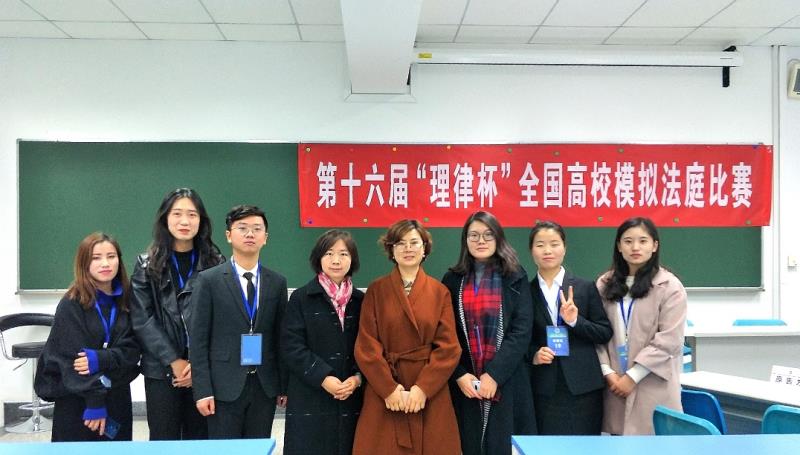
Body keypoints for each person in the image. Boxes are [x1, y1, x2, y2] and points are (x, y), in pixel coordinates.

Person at [353, 219, 461, 455]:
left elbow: (449, 348)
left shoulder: (439, 292)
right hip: (386, 389)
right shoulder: (376, 290)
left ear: (425, 249)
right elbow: (366, 345)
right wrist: (389, 389)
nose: (408, 248)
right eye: (400, 243)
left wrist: (423, 389)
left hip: (429, 389)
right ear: (391, 250)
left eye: (414, 242)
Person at [130, 188, 225, 440]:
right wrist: (175, 361)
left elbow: (222, 319)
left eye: (192, 214)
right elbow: (142, 319)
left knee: (201, 441)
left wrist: (197, 366)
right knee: (164, 440)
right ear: (165, 218)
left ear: (201, 220)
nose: (185, 221)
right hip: (161, 370)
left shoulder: (216, 262)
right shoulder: (146, 264)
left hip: (203, 371)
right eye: (177, 214)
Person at [189, 205, 288, 439]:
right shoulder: (209, 280)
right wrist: (202, 391)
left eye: (257, 229)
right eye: (242, 228)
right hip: (222, 387)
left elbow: (281, 338)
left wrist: (283, 385)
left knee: (257, 448)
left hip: (264, 386)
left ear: (265, 237)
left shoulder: (277, 282)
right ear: (228, 235)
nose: (250, 234)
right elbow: (198, 339)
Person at [442, 211, 536, 455]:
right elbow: (444, 333)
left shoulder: (515, 276)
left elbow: (521, 330)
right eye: (473, 235)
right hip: (466, 383)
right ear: (465, 240)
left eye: (487, 235)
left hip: (507, 379)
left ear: (498, 238)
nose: (480, 241)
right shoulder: (452, 280)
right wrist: (459, 374)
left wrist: (494, 375)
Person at [34, 232, 140, 442]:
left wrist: (101, 358)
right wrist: (95, 402)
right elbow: (72, 361)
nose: (105, 263)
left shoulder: (128, 301)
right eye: (96, 258)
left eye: (111, 256)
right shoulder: (71, 304)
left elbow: (133, 351)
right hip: (79, 400)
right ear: (84, 263)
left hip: (117, 396)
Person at [596, 217, 687, 435]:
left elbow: (670, 340)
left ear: (654, 246)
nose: (635, 247)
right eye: (628, 241)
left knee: (653, 443)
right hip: (613, 385)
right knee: (616, 442)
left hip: (652, 383)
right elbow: (596, 332)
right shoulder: (603, 284)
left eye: (643, 241)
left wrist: (633, 376)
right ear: (619, 246)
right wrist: (608, 372)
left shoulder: (670, 286)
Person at [282, 229, 365, 455]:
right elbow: (292, 346)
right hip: (310, 394)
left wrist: (357, 378)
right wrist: (323, 377)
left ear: (353, 260)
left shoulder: (362, 301)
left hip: (352, 395)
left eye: (343, 254)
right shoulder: (301, 298)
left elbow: (370, 346)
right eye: (329, 253)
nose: (336, 260)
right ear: (318, 258)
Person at [527, 221, 612, 435]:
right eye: (540, 245)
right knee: (548, 446)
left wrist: (575, 321)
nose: (547, 250)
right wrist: (534, 354)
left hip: (583, 385)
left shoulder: (584, 287)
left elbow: (604, 332)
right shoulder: (525, 292)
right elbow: (520, 338)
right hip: (544, 386)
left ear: (564, 248)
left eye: (554, 244)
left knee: (585, 446)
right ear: (531, 251)